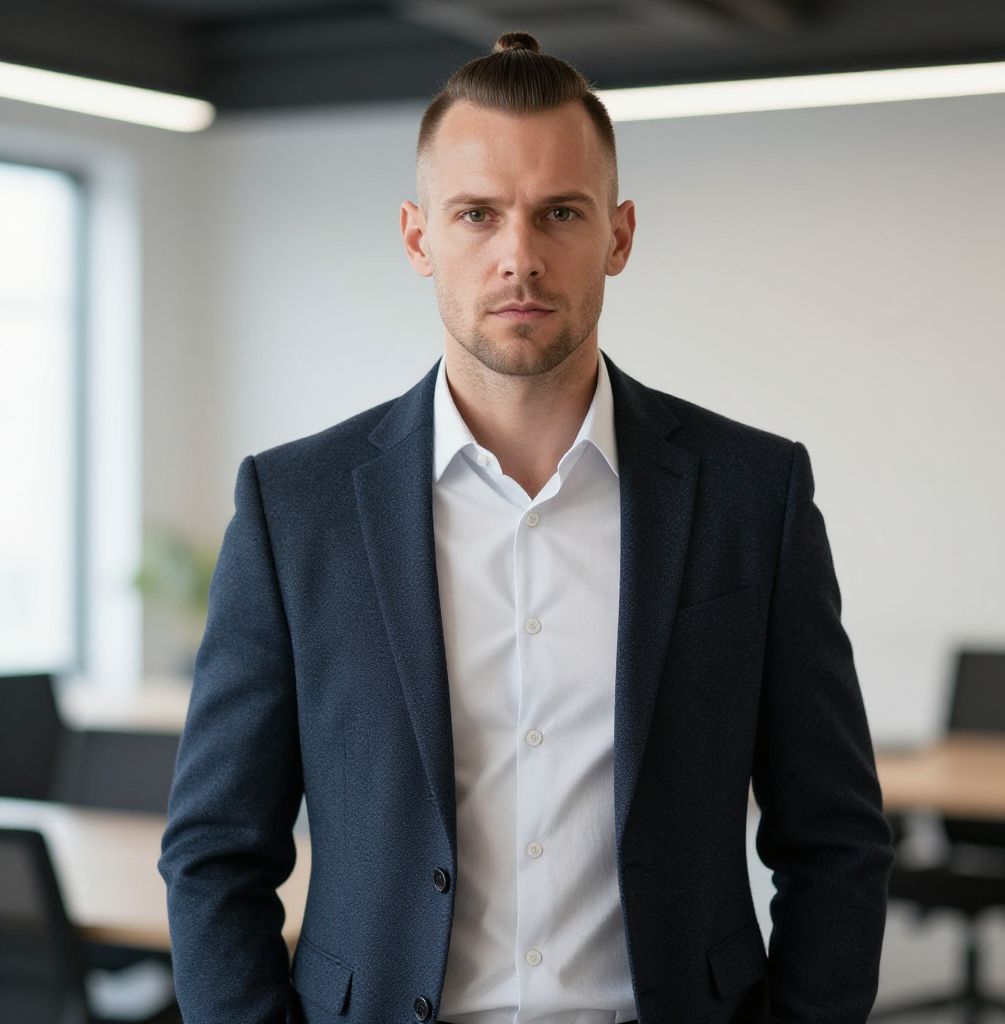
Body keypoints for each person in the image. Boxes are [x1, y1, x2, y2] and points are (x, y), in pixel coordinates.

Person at [159, 30, 894, 1024]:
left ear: (618, 234)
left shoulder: (750, 494)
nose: (519, 255)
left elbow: (834, 837)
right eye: (476, 214)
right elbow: (214, 853)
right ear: (420, 237)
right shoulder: (297, 509)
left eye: (559, 213)